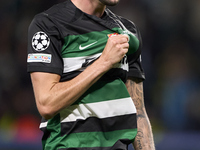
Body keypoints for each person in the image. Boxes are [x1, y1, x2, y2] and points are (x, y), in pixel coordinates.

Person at [27, 0, 155, 149]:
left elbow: (138, 110)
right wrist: (104, 62)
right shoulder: (48, 24)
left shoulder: (128, 31)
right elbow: (46, 104)